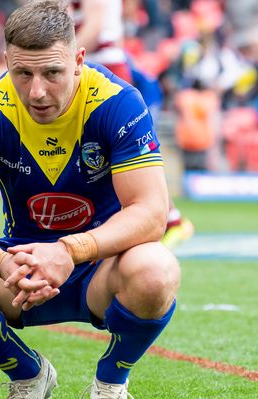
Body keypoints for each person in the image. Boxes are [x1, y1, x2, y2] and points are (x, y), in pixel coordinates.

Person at [0, 0, 180, 399]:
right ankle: (28, 375)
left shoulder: (118, 102)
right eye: (23, 73)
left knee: (157, 268)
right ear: (6, 62)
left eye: (52, 73)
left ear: (78, 61)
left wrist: (72, 250)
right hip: (19, 273)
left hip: (98, 268)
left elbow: (151, 214)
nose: (36, 91)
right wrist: (0, 261)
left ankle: (110, 385)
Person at [70, 0, 192, 248]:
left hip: (97, 64)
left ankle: (166, 218)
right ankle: (169, 218)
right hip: (96, 62)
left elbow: (94, 24)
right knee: (111, 151)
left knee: (119, 150)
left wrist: (63, 59)